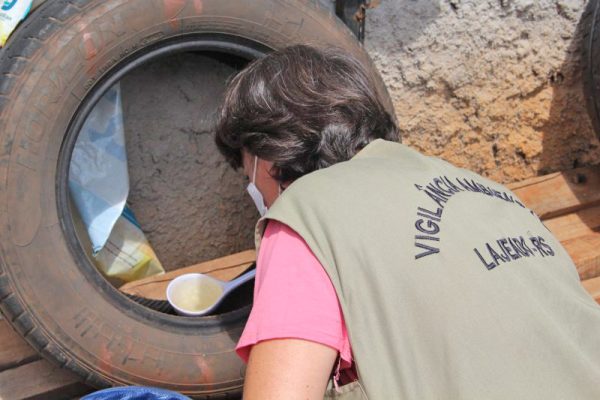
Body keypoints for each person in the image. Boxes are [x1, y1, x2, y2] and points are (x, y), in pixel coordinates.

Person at [214, 45, 600, 399]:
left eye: (245, 167)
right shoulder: (485, 188)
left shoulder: (304, 213)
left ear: (267, 155)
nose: (252, 186)